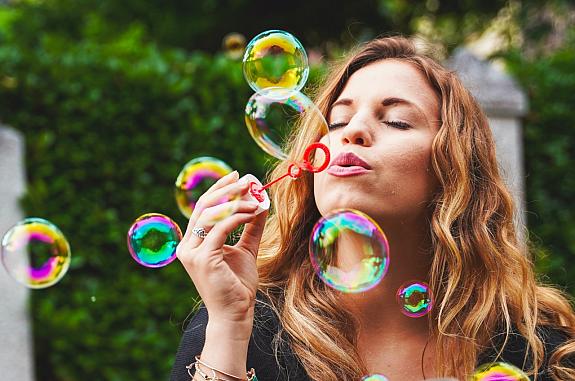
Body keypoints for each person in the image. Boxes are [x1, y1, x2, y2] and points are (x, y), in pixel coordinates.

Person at [170, 36, 575, 381]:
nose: (354, 132)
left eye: (397, 121)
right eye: (338, 121)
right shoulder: (247, 327)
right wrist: (228, 328)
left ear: (452, 168)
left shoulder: (535, 350)